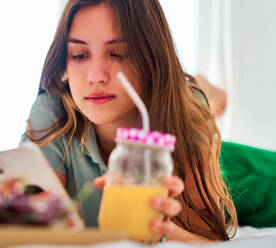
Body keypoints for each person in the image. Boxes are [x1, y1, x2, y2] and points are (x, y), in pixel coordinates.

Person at [22, 0, 237, 243]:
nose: (95, 77)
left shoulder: (189, 111)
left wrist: (163, 231)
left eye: (117, 54)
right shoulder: (52, 112)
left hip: (182, 114)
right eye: (80, 55)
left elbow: (207, 240)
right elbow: (35, 234)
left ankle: (210, 91)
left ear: (151, 56)